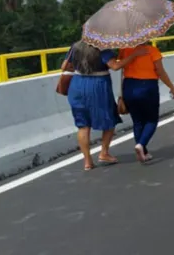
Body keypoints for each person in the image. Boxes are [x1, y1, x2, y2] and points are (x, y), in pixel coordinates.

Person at [62, 41, 147, 171]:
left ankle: (87, 161)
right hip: (98, 85)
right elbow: (115, 66)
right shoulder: (102, 48)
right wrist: (134, 54)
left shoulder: (75, 46)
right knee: (110, 117)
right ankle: (104, 153)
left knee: (83, 124)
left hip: (77, 85)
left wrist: (83, 68)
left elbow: (64, 66)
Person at [119, 42, 174, 163]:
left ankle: (143, 151)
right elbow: (160, 71)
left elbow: (121, 65)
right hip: (147, 86)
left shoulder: (124, 49)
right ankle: (141, 144)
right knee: (151, 119)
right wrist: (171, 86)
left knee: (137, 121)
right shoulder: (152, 51)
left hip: (129, 86)